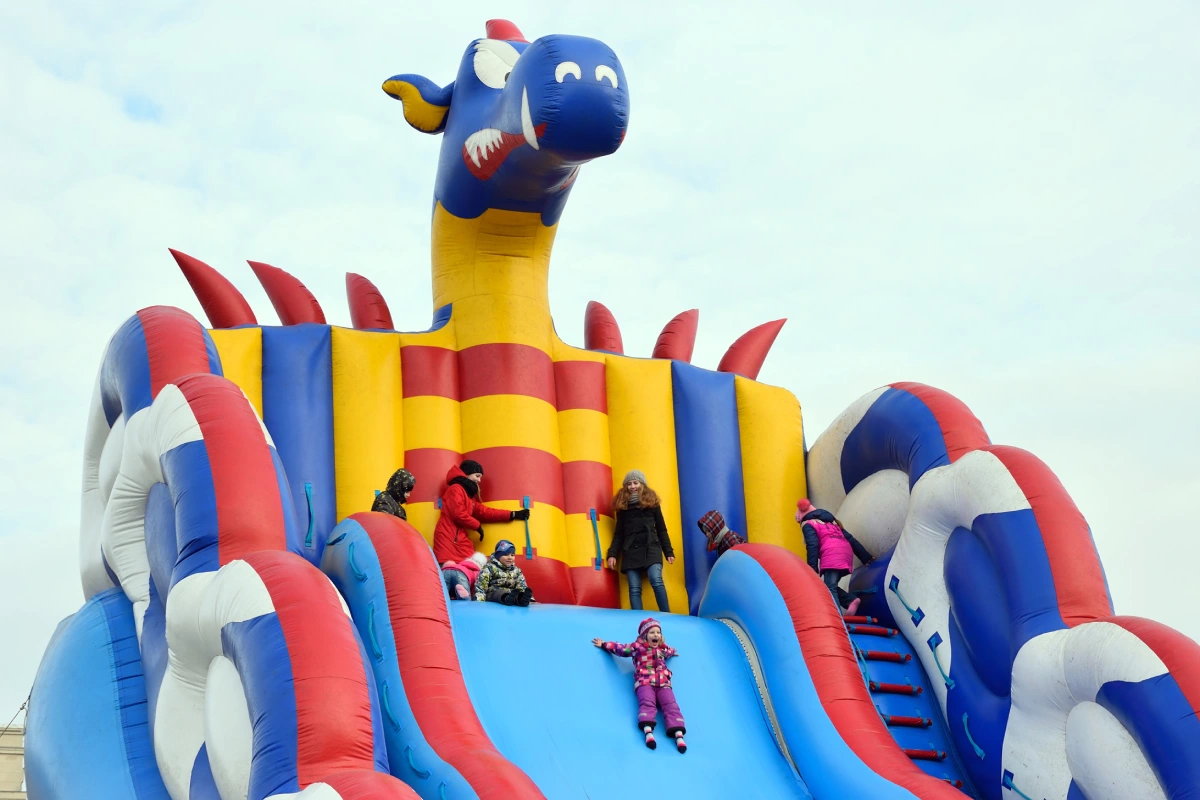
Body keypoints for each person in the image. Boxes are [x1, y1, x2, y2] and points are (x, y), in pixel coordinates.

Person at [592, 617, 686, 753]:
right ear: (645, 635)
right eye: (652, 632)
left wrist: (672, 652)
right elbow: (621, 649)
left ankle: (677, 732)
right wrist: (604, 644)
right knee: (647, 703)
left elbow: (668, 651)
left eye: (658, 633)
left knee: (670, 704)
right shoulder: (638, 648)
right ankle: (648, 730)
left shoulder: (662, 649)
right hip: (644, 681)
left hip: (663, 682)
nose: (656, 635)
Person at [433, 459, 531, 564]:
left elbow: (485, 512)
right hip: (449, 540)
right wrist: (477, 525)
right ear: (467, 474)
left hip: (458, 540)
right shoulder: (456, 489)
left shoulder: (469, 498)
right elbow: (458, 514)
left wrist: (512, 514)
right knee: (459, 571)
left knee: (473, 569)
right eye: (477, 476)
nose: (479, 480)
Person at [606, 470, 675, 612]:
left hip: (651, 547)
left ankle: (667, 615)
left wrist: (668, 551)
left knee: (656, 580)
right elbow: (619, 534)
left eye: (635, 483)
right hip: (631, 549)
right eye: (629, 484)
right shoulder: (623, 508)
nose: (632, 486)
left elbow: (661, 529)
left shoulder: (652, 503)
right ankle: (638, 619)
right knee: (634, 588)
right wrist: (612, 554)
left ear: (642, 484)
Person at [796, 498, 874, 615]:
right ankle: (851, 600)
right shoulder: (832, 523)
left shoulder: (808, 524)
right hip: (845, 554)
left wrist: (812, 569)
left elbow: (812, 545)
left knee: (829, 589)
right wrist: (866, 558)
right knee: (829, 586)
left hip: (832, 555)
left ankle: (837, 617)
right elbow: (851, 539)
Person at [475, 540, 535, 606]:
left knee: (518, 593)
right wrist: (479, 603)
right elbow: (481, 587)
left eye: (512, 555)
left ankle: (523, 601)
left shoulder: (516, 571)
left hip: (512, 595)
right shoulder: (489, 568)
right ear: (498, 556)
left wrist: (529, 599)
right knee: (498, 593)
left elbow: (521, 586)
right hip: (493, 595)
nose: (509, 558)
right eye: (506, 555)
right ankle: (506, 598)